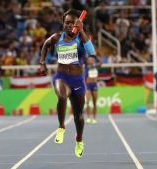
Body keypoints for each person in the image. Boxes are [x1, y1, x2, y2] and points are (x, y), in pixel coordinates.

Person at [39, 9, 98, 158]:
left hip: (77, 80)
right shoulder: (57, 37)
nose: (69, 25)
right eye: (66, 22)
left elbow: (91, 52)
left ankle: (79, 139)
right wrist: (42, 63)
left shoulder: (80, 38)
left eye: (72, 22)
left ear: (77, 24)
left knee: (79, 115)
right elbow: (45, 45)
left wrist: (82, 30)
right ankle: (61, 127)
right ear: (63, 24)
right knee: (62, 96)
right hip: (61, 76)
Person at [85, 56, 101, 124]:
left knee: (94, 103)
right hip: (88, 85)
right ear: (88, 61)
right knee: (88, 101)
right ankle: (88, 117)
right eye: (89, 60)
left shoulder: (96, 66)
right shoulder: (86, 67)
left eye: (92, 59)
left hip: (94, 85)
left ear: (94, 60)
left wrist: (96, 56)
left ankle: (94, 118)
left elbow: (100, 63)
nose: (90, 60)